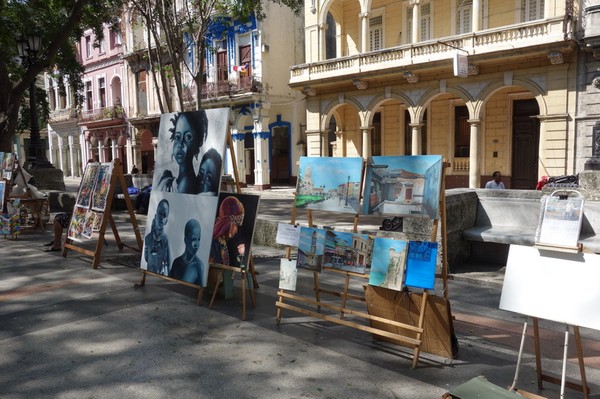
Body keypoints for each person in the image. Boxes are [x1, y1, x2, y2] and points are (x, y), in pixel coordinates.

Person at [157, 111, 208, 194]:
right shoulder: (173, 180)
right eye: (177, 137)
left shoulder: (187, 183)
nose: (180, 144)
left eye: (188, 137)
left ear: (198, 142)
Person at [210, 196, 245, 268]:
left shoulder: (220, 241)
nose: (236, 231)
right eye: (236, 225)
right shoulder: (215, 245)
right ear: (231, 222)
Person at [170, 219, 204, 286]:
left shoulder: (198, 265)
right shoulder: (176, 262)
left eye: (199, 239)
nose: (196, 244)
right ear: (186, 240)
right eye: (194, 239)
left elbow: (201, 290)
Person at [144, 198, 171, 275]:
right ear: (155, 215)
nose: (161, 217)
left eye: (164, 215)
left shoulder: (165, 241)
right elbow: (146, 258)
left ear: (166, 221)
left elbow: (167, 264)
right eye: (160, 213)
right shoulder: (148, 238)